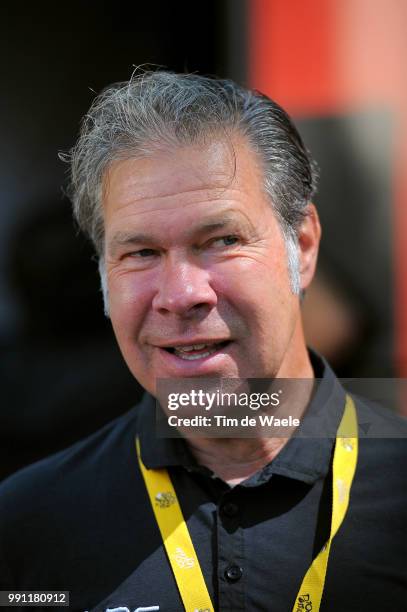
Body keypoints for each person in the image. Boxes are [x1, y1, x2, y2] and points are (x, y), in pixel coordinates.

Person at [0, 72, 406, 612]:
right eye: (140, 252)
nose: (180, 294)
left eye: (220, 240)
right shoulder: (27, 523)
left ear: (302, 247)